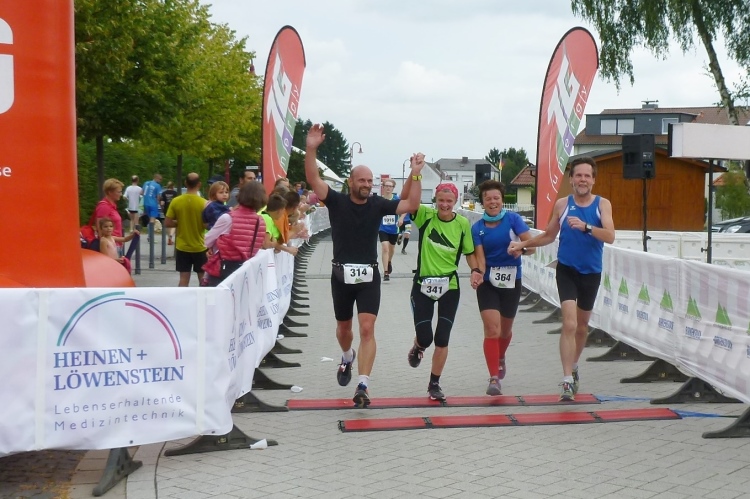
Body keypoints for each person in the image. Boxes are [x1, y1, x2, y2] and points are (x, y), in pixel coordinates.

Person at [305, 123, 424, 408]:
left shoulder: (378, 204)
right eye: (362, 181)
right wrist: (310, 149)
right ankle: (347, 356)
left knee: (367, 328)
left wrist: (416, 173)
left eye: (370, 181)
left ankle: (362, 385)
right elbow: (313, 178)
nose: (367, 185)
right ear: (351, 182)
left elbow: (411, 204)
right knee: (344, 329)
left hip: (368, 275)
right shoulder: (336, 201)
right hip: (340, 276)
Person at [508, 157, 615, 401]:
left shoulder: (602, 204)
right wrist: (522, 245)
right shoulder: (562, 204)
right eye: (578, 176)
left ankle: (574, 366)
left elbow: (610, 236)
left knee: (582, 326)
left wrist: (587, 227)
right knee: (569, 323)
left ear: (593, 180)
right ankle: (567, 380)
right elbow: (548, 235)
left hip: (591, 272)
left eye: (587, 176)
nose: (582, 180)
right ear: (571, 179)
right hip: (566, 270)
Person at [404, 182, 475, 401]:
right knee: (426, 337)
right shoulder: (426, 215)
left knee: (442, 338)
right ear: (435, 200)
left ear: (455, 202)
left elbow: (470, 252)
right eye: (441, 200)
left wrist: (476, 271)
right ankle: (418, 345)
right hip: (423, 286)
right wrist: (416, 175)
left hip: (449, 287)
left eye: (449, 201)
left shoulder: (462, 223)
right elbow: (409, 200)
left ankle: (434, 383)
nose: (444, 205)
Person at [469, 180, 535, 396]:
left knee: (505, 331)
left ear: (502, 200)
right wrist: (477, 273)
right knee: (492, 329)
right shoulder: (477, 228)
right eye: (488, 199)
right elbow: (480, 259)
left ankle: (500, 356)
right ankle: (494, 378)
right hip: (488, 282)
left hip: (511, 280)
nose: (493, 202)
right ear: (483, 202)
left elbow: (531, 247)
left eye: (496, 198)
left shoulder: (513, 220)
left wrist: (520, 249)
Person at [203, 182, 268, 286]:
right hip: (246, 270)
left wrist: (213, 247)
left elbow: (207, 240)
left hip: (224, 268)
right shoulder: (260, 221)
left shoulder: (228, 218)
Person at [164, 173, 208, 287]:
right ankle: (203, 298)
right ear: (199, 184)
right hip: (200, 246)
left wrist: (180, 222)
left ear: (185, 183)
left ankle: (181, 298)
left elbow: (167, 223)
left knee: (183, 279)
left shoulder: (176, 201)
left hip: (182, 246)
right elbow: (207, 225)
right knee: (203, 279)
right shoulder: (204, 203)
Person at [377, 178, 403, 281]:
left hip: (394, 228)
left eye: (390, 186)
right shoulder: (380, 200)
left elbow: (405, 209)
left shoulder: (396, 199)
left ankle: (389, 261)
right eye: (386, 186)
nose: (388, 188)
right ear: (383, 187)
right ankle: (386, 272)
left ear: (393, 188)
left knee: (391, 249)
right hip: (382, 228)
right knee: (385, 248)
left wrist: (401, 218)